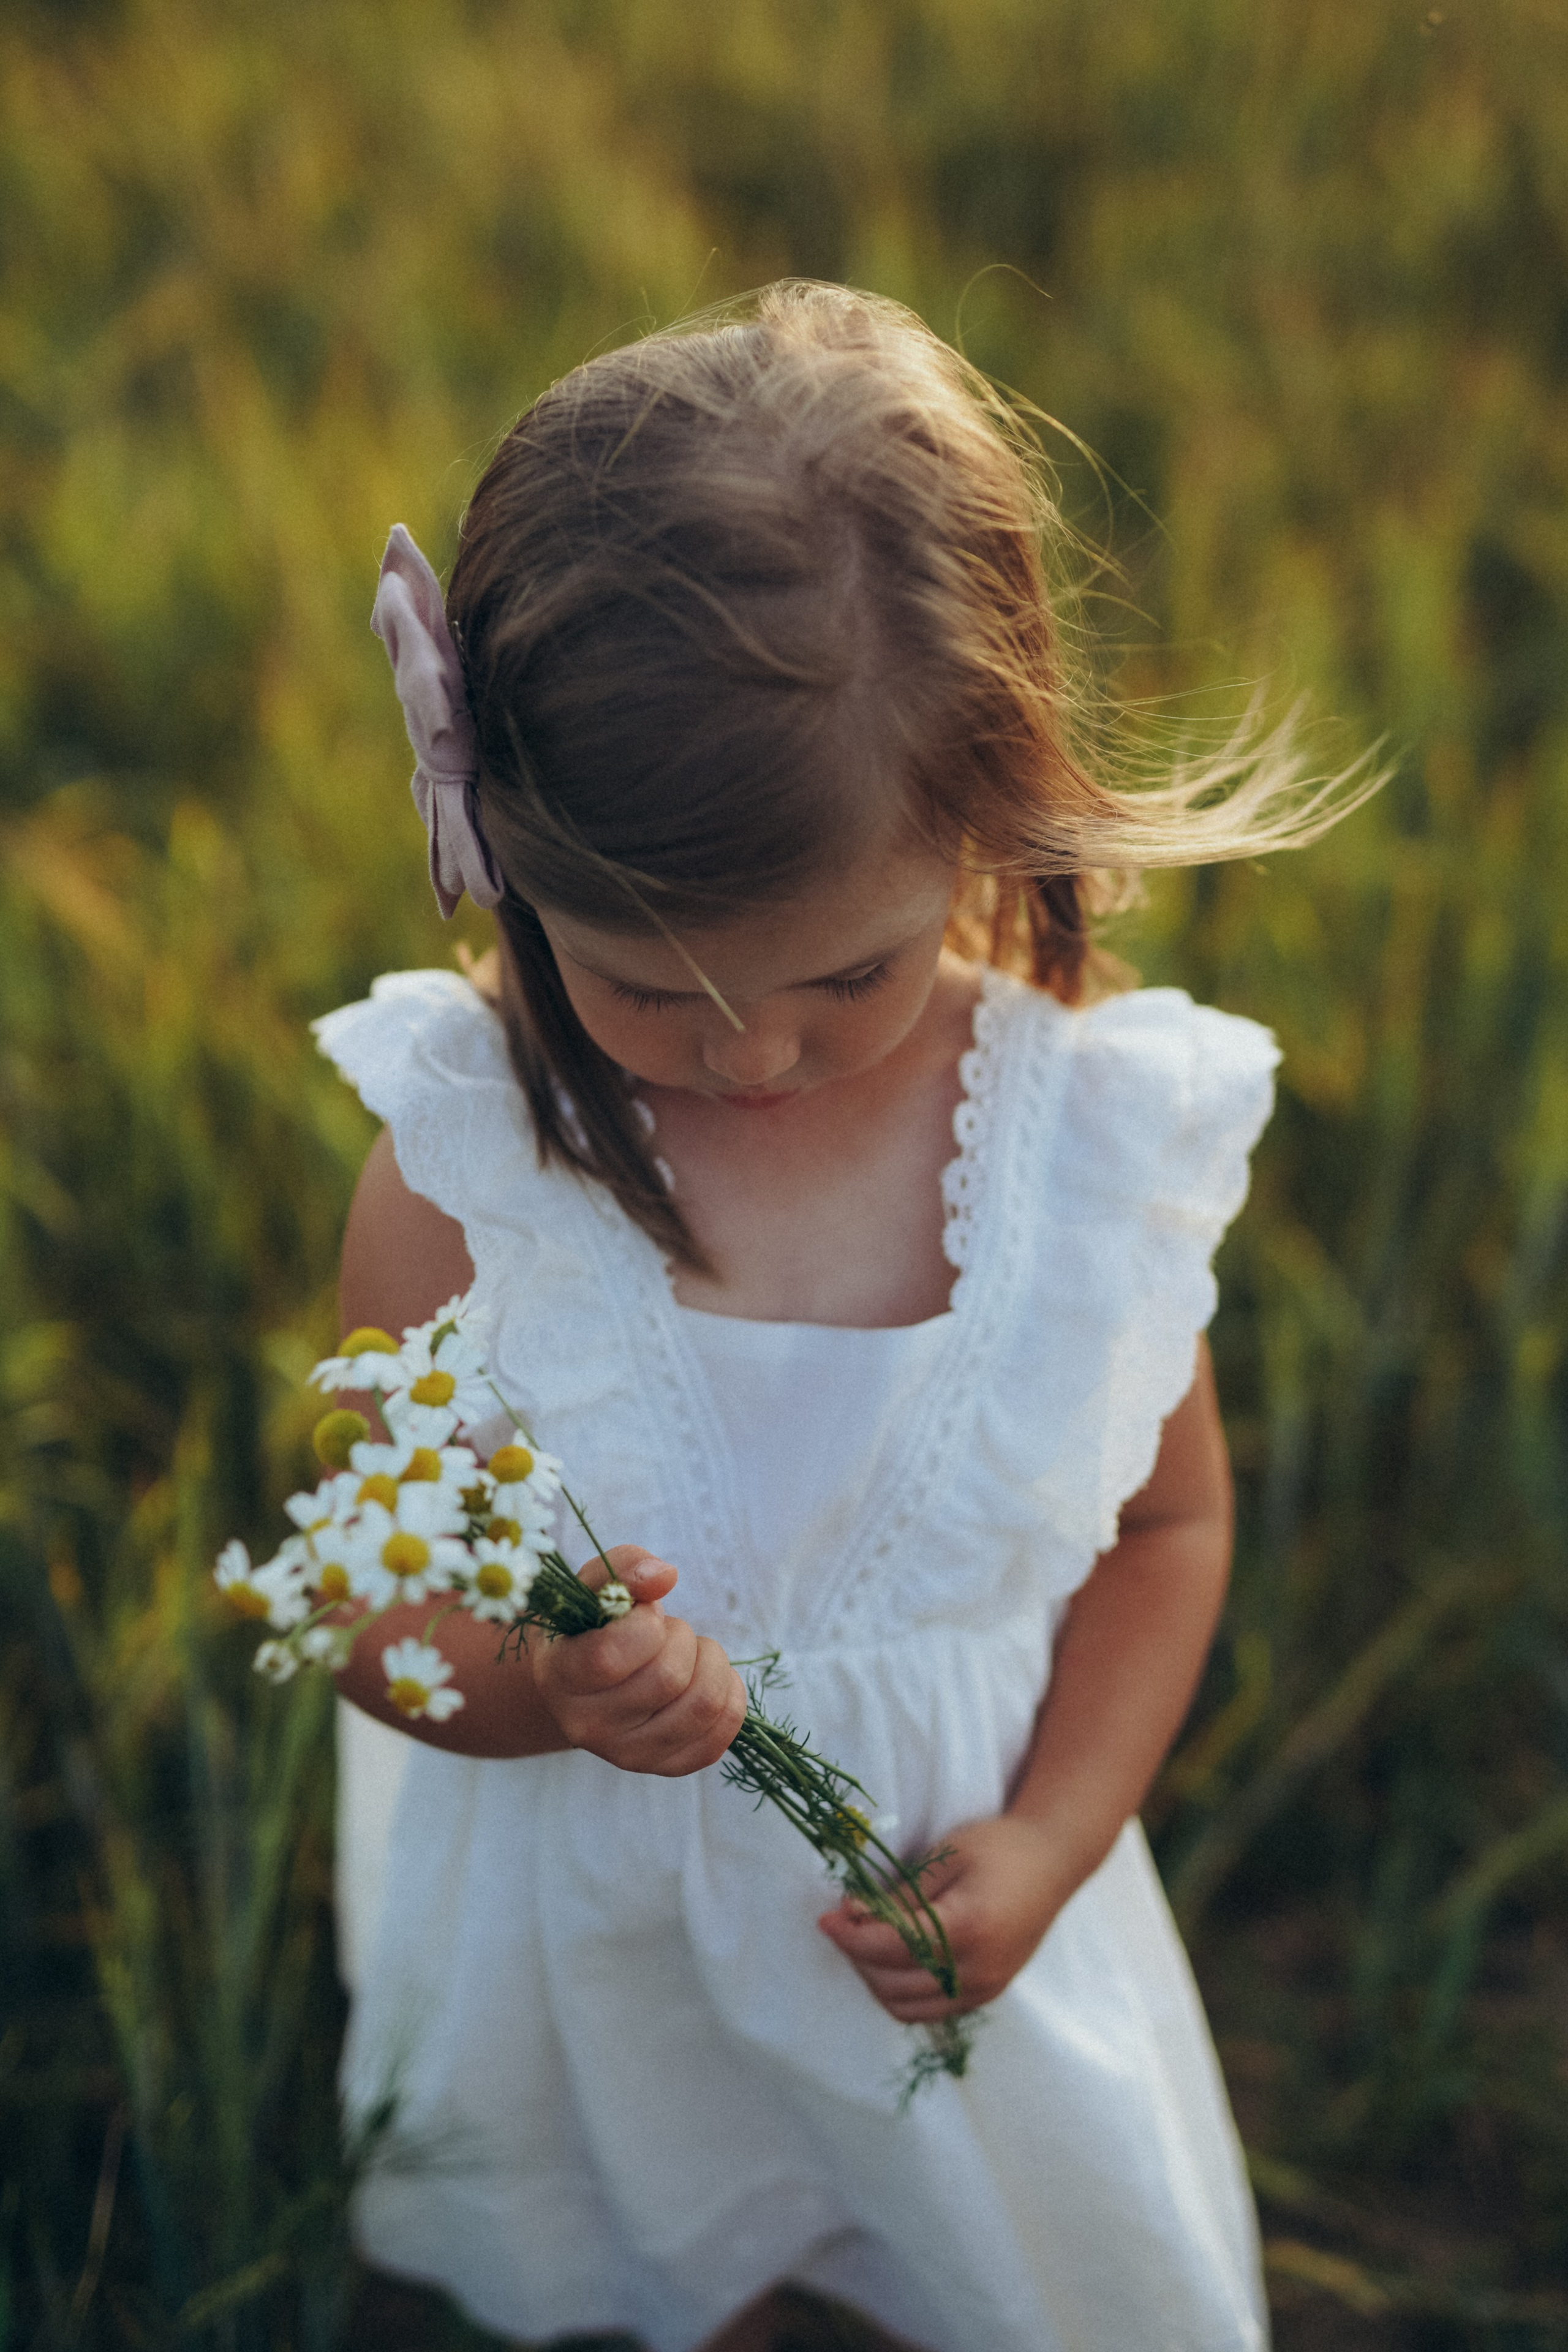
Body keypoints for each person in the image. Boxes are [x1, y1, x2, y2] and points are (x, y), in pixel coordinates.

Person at [315, 281, 1369, 2352]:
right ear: (507, 869)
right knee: (647, 2270)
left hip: (942, 1912)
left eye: (851, 982)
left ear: (987, 820)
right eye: (645, 993)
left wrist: (1057, 1840)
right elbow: (374, 1604)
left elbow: (1169, 1532)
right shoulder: (466, 1173)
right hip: (595, 1969)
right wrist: (540, 1689)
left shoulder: (1078, 1157)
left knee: (981, 2272)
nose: (762, 1066)